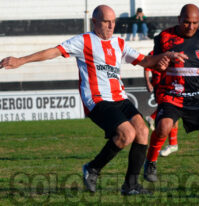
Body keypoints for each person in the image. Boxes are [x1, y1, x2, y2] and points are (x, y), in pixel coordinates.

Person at [0, 5, 188, 195]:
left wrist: (166, 57)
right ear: (95, 22)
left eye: (113, 22)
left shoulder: (119, 43)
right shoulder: (84, 41)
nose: (110, 26)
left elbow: (146, 62)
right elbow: (54, 51)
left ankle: (131, 186)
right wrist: (21, 60)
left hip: (120, 98)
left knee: (142, 131)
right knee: (126, 134)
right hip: (97, 100)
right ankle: (92, 168)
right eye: (106, 21)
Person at [143, 4, 199, 183]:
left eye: (195, 23)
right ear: (179, 19)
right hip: (172, 95)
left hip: (198, 97)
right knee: (163, 127)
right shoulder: (163, 37)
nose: (190, 27)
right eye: (186, 22)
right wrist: (160, 65)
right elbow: (152, 62)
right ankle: (150, 162)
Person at [144, 52, 199, 157]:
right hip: (164, 88)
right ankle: (172, 144)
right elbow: (146, 66)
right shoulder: (154, 53)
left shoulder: (185, 50)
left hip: (189, 88)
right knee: (169, 116)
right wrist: (148, 82)